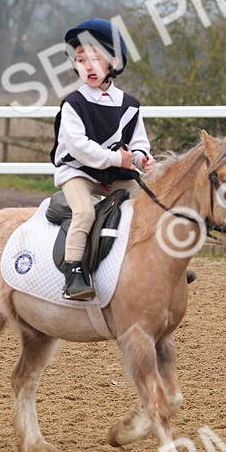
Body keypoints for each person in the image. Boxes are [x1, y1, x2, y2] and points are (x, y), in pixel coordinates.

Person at [51, 18, 154, 300]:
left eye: (96, 59)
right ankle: (73, 272)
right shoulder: (74, 103)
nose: (88, 66)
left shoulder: (130, 104)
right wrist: (117, 160)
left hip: (113, 174)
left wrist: (142, 158)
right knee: (84, 212)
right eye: (81, 60)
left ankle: (157, 263)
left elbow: (139, 141)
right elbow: (80, 148)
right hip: (78, 173)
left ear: (114, 63)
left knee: (151, 206)